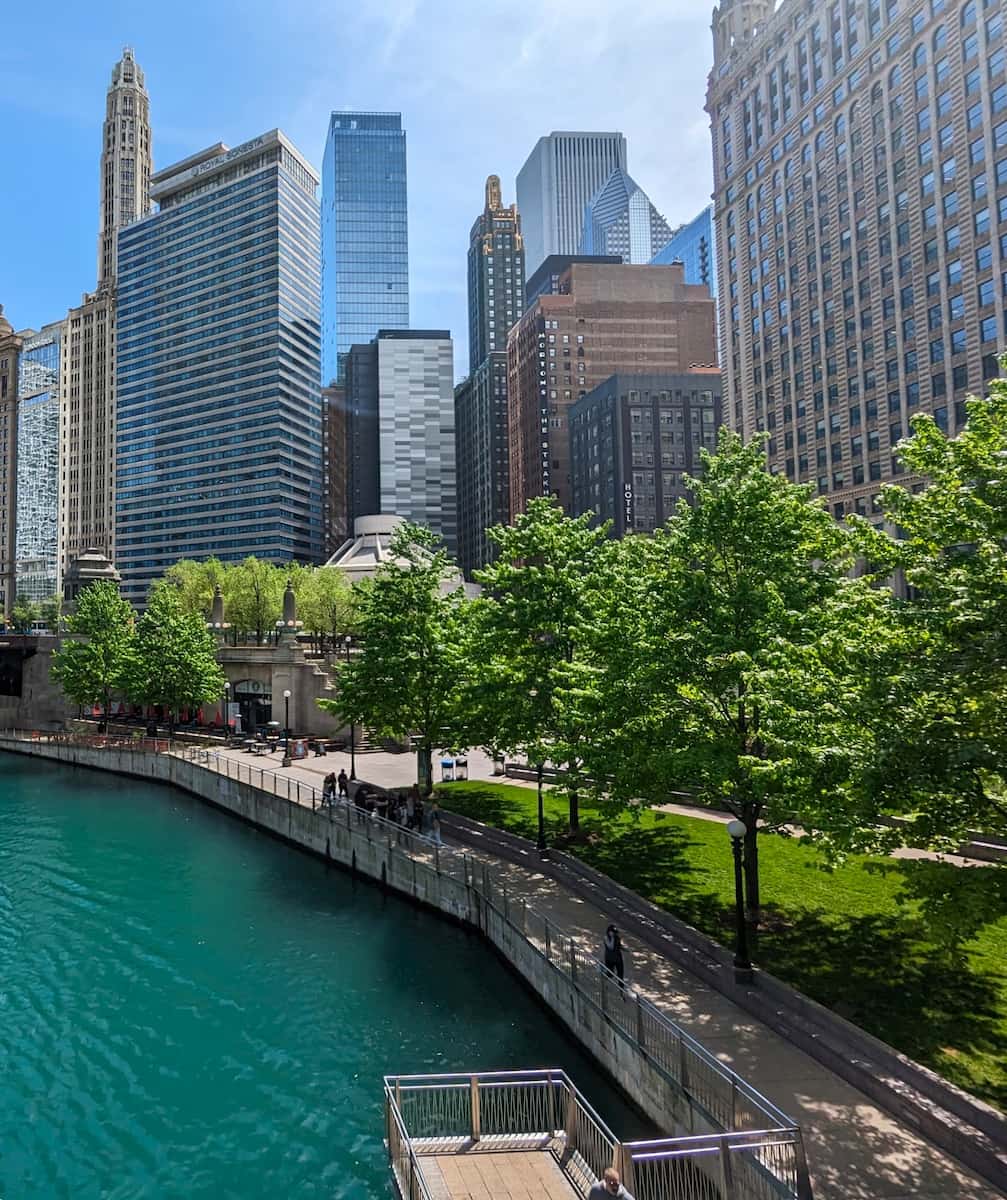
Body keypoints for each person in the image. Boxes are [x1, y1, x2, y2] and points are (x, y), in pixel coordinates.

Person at [603, 925, 625, 989]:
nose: (615, 934)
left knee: (620, 974)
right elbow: (611, 947)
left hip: (618, 958)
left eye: (615, 932)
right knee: (610, 973)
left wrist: (625, 949)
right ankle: (604, 982)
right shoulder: (606, 938)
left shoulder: (617, 937)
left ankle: (621, 990)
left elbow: (619, 945)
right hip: (610, 959)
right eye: (613, 932)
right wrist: (612, 938)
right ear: (609, 932)